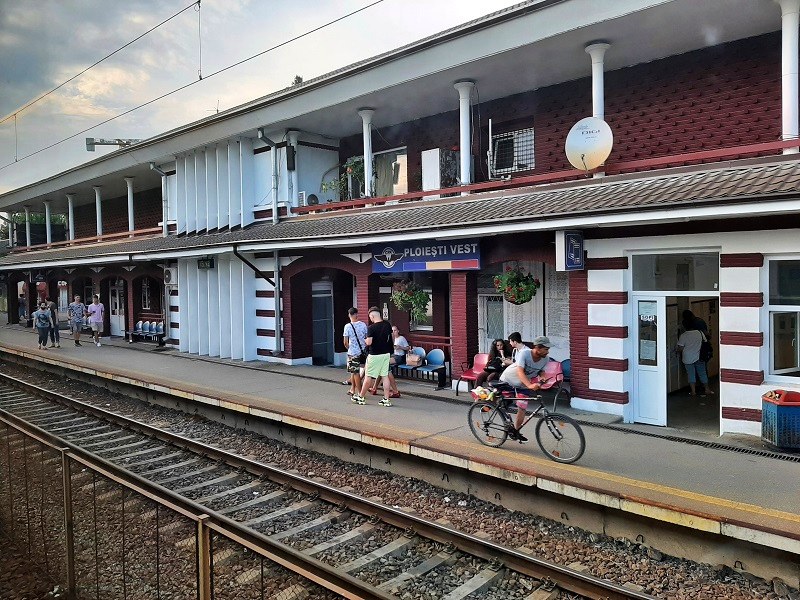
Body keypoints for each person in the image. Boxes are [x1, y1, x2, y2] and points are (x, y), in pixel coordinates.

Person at [499, 333, 553, 443]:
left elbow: (541, 371)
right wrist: (529, 385)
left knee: (522, 407)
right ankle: (496, 413)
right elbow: (520, 371)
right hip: (508, 380)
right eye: (546, 349)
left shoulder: (545, 359)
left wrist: (542, 377)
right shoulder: (524, 354)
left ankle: (515, 431)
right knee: (504, 404)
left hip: (523, 384)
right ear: (537, 347)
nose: (547, 352)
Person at [353, 307, 395, 407]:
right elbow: (392, 337)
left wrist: (365, 340)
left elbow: (369, 342)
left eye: (370, 317)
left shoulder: (371, 328)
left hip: (374, 354)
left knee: (368, 376)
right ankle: (386, 399)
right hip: (386, 354)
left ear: (372, 316)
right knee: (385, 376)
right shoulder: (387, 324)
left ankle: (361, 397)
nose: (370, 318)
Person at [676, 321, 714, 398]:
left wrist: (676, 350)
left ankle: (693, 391)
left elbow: (680, 348)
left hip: (688, 358)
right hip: (700, 356)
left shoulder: (683, 335)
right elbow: (705, 342)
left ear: (684, 327)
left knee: (691, 374)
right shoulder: (700, 333)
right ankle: (707, 389)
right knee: (702, 373)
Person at [343, 307, 368, 398]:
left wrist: (349, 348)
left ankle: (360, 392)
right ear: (357, 314)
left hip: (353, 352)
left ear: (349, 315)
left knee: (355, 372)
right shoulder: (363, 325)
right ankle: (352, 389)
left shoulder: (348, 326)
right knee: (354, 372)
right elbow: (366, 338)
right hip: (363, 351)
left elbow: (345, 342)